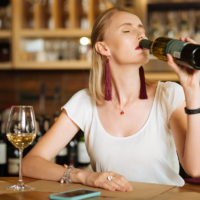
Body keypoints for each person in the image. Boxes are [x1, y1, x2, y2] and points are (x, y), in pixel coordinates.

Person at [22, 7, 200, 192]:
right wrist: (86, 176)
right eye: (127, 30)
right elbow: (29, 164)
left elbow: (195, 168)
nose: (140, 34)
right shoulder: (84, 103)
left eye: (141, 29)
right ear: (103, 48)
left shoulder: (169, 94)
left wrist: (193, 90)